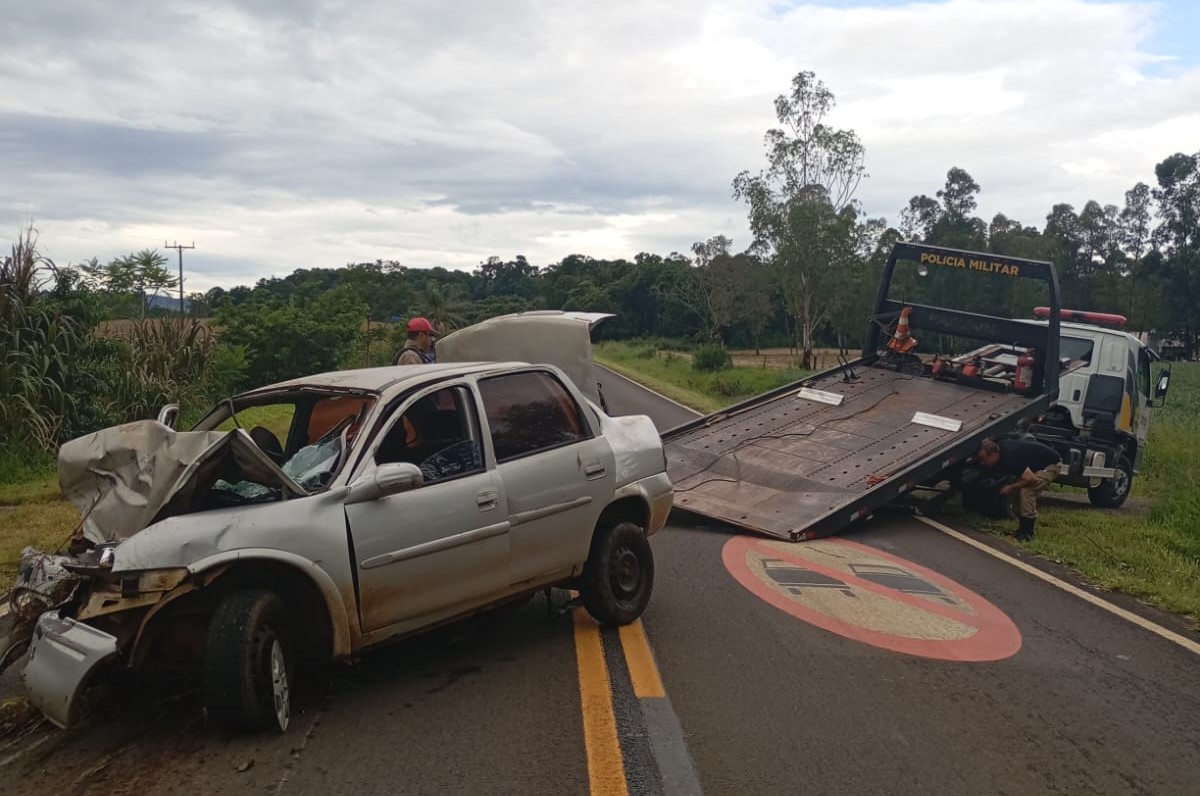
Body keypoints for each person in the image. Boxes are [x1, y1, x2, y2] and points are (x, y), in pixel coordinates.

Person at [976, 437, 1061, 541]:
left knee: (1027, 491)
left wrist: (1010, 487)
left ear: (993, 455)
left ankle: (1027, 533)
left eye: (984, 460)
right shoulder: (1000, 450)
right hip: (1033, 466)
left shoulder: (1010, 457)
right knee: (1016, 492)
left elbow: (1031, 480)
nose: (982, 463)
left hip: (1050, 465)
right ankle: (1021, 529)